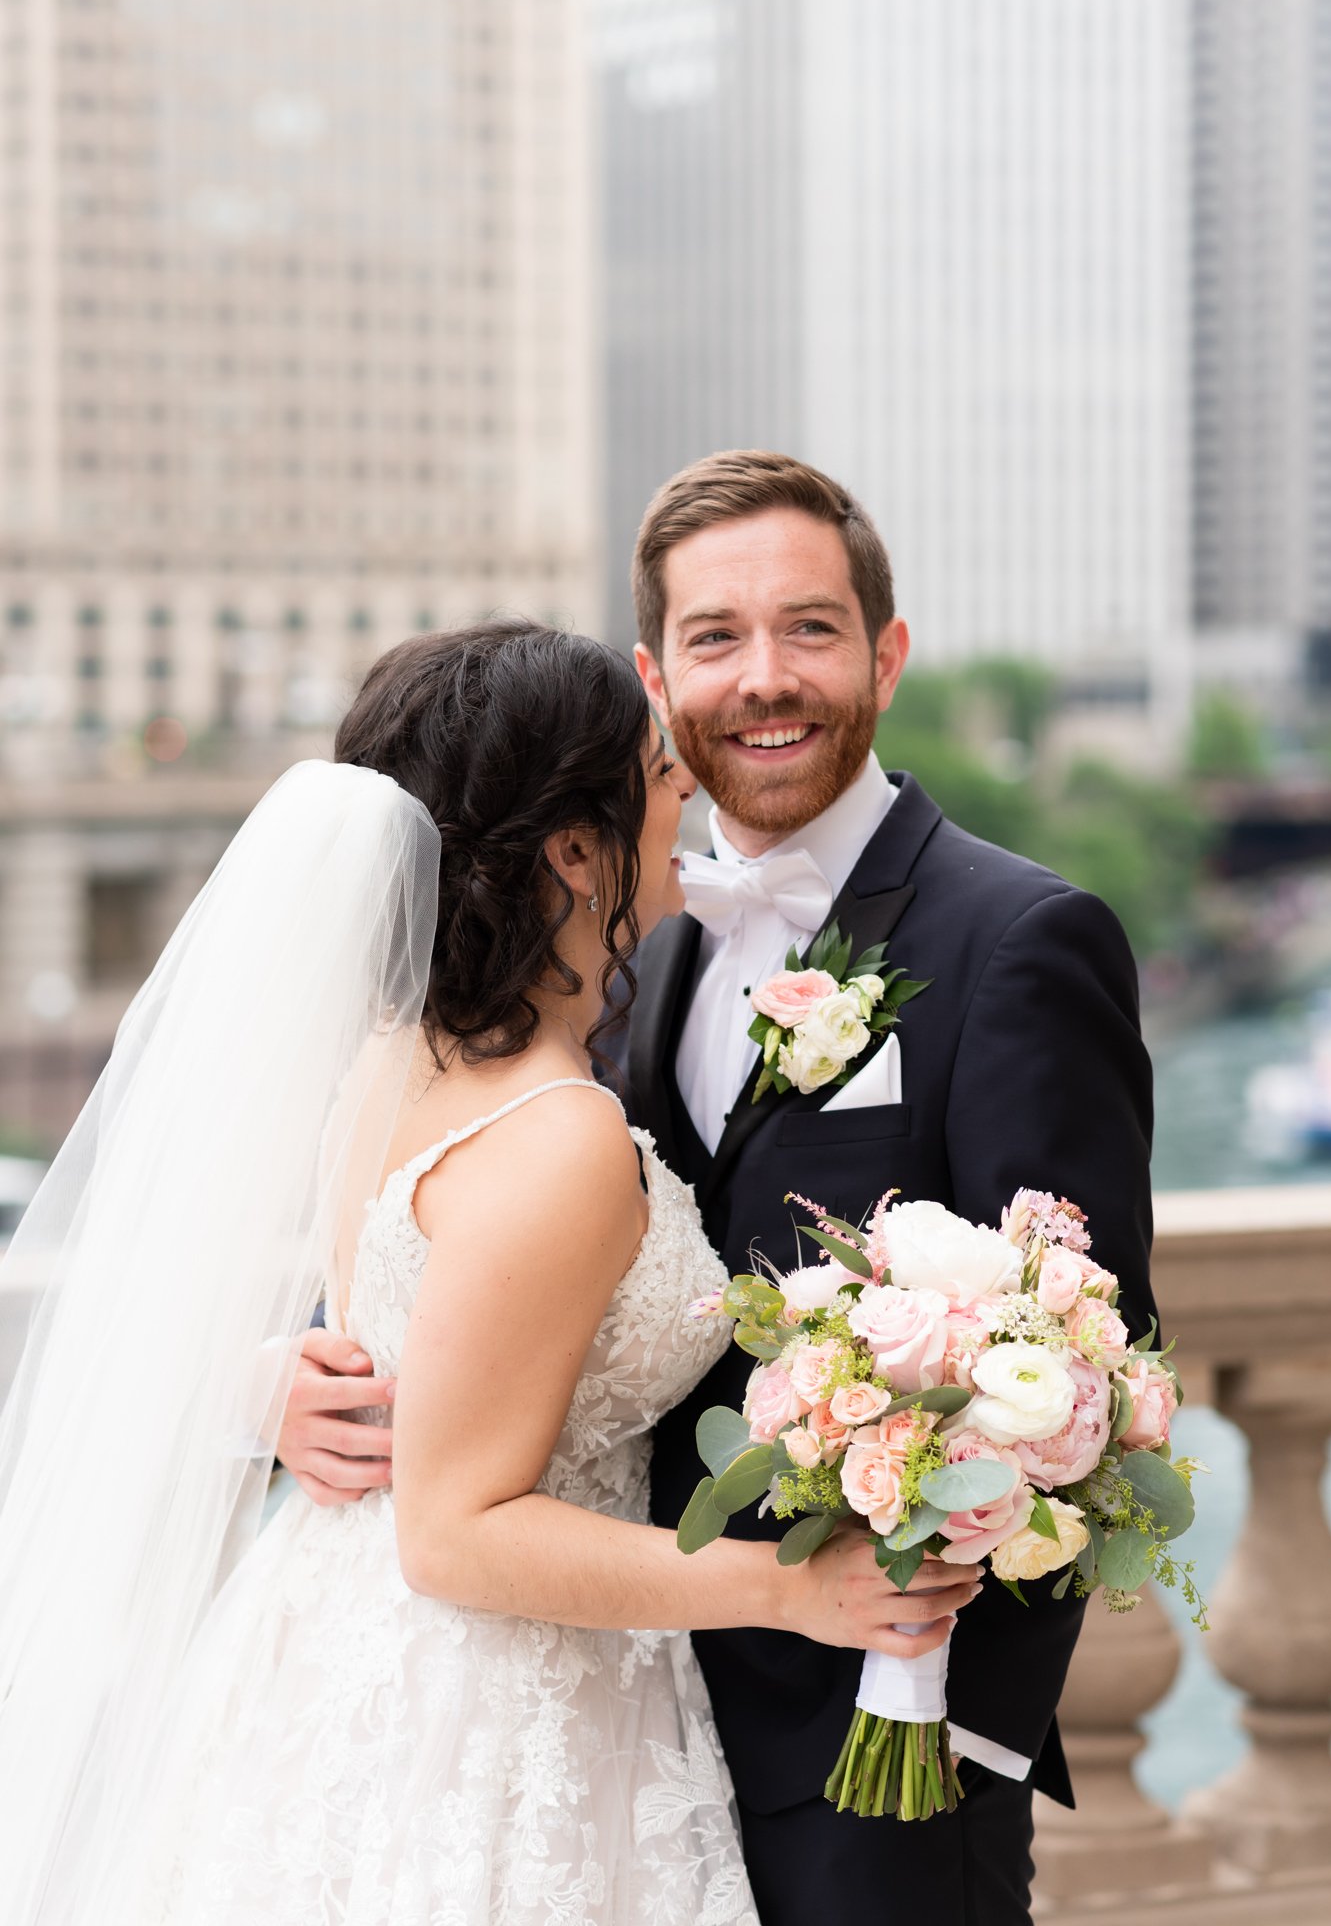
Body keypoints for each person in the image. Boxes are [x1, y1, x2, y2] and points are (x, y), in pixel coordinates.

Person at [0, 617, 978, 1926]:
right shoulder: (558, 1136)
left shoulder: (382, 1060)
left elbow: (413, 1352)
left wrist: (267, 1381)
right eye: (652, 769)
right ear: (575, 851)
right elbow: (455, 1532)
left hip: (318, 1649)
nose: (680, 779)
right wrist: (793, 1590)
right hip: (495, 1703)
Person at [287, 456, 1157, 1925]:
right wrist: (283, 1384)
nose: (767, 679)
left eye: (812, 629)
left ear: (885, 653)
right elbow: (450, 1269)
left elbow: (1084, 1363)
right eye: (716, 638)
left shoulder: (1023, 940)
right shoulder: (619, 957)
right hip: (595, 1707)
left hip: (874, 1742)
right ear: (654, 678)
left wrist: (944, 1732)